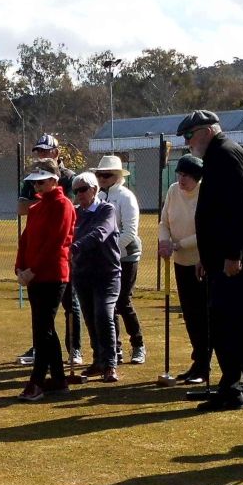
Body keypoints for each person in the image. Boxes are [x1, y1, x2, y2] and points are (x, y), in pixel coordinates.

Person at [176, 110, 243, 410]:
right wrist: (211, 256)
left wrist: (233, 255)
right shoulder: (222, 154)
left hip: (236, 257)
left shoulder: (226, 154)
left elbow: (239, 208)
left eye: (190, 136)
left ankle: (232, 390)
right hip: (226, 255)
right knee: (239, 321)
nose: (188, 143)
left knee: (228, 323)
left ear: (206, 131)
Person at [17, 134, 82, 365]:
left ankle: (74, 348)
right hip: (39, 267)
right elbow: (22, 208)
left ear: (56, 152)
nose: (42, 154)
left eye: (46, 150)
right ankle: (43, 355)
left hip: (62, 258)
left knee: (69, 304)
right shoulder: (34, 181)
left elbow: (62, 226)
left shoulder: (69, 178)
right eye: (38, 151)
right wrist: (22, 268)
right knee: (43, 321)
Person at [14, 159, 77, 400]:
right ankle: (59, 381)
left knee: (43, 329)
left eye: (41, 181)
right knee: (43, 328)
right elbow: (26, 240)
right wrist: (20, 267)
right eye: (35, 182)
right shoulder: (36, 208)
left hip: (53, 275)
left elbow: (56, 242)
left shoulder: (64, 205)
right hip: (34, 275)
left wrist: (33, 269)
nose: (37, 186)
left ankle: (37, 380)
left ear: (54, 180)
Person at [158, 154, 210, 384]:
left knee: (202, 316)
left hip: (202, 262)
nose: (182, 179)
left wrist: (178, 244)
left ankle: (203, 365)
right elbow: (164, 222)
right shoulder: (172, 191)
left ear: (197, 177)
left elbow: (208, 231)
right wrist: (164, 242)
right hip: (179, 262)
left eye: (187, 175)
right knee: (189, 315)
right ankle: (197, 362)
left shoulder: (207, 192)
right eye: (179, 174)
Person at [91, 155, 146, 364]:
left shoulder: (125, 196)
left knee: (123, 301)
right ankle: (115, 348)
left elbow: (130, 231)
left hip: (126, 255)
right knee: (109, 303)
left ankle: (138, 344)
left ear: (117, 176)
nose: (102, 178)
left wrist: (111, 250)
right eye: (99, 174)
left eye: (107, 175)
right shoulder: (99, 197)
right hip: (105, 257)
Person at [70, 171, 121, 383]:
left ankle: (110, 364)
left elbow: (100, 233)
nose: (79, 194)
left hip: (106, 274)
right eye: (76, 191)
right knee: (90, 318)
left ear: (94, 189)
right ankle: (98, 360)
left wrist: (74, 246)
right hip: (83, 274)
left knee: (103, 315)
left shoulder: (106, 209)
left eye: (83, 189)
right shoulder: (75, 213)